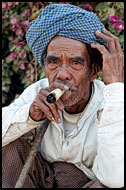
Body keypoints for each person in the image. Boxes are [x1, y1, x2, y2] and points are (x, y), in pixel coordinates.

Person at [2, 3, 124, 188]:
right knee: (9, 146)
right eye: (53, 62)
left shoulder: (112, 102)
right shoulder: (40, 91)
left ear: (93, 72)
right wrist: (30, 115)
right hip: (44, 180)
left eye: (75, 63)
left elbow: (115, 178)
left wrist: (114, 84)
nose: (62, 74)